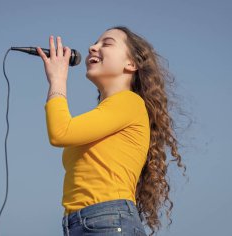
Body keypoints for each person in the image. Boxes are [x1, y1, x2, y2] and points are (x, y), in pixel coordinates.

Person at [37, 25, 188, 236]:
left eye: (106, 44)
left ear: (131, 63)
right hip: (82, 224)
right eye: (95, 43)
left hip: (106, 221)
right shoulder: (106, 115)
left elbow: (60, 132)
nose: (92, 47)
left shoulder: (129, 102)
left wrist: (57, 80)